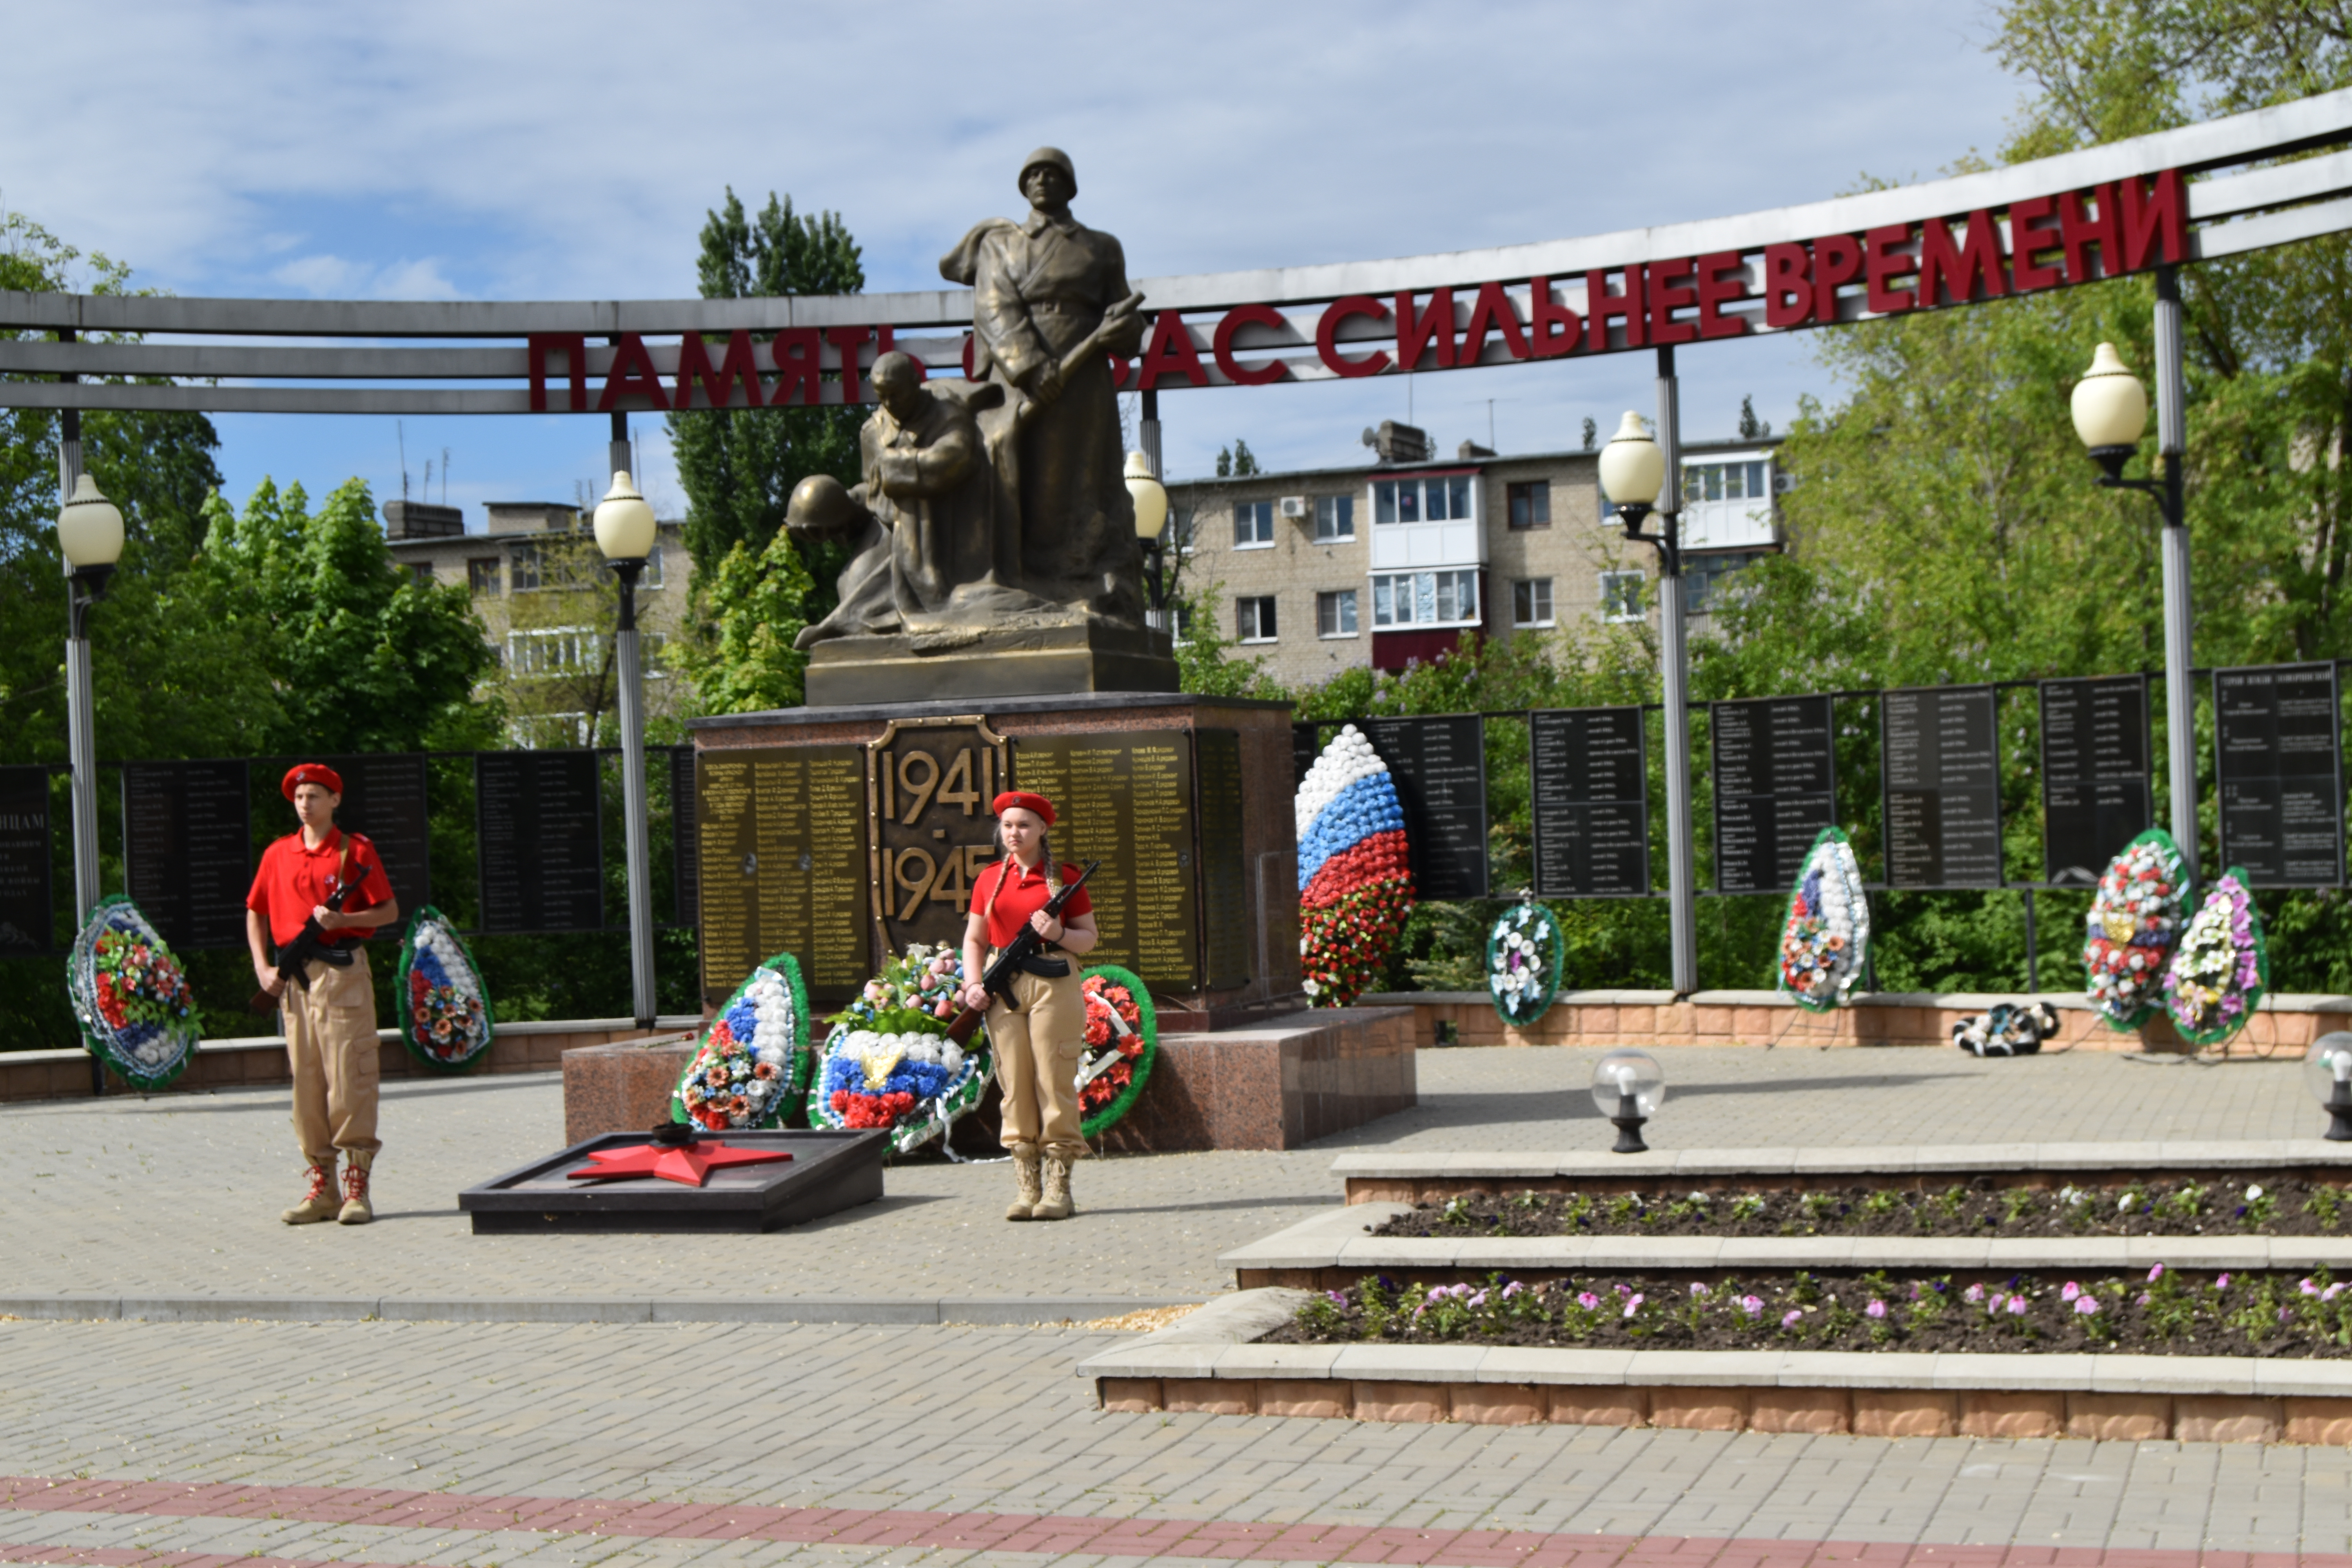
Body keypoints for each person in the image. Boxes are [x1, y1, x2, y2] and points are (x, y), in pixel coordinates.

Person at [940, 147, 1146, 621]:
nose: (1042, 181)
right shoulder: (1002, 244)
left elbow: (1128, 325)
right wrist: (1031, 365)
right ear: (1023, 186)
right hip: (1020, 382)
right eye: (1032, 174)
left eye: (1052, 174)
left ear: (1069, 185)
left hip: (1084, 380)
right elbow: (994, 307)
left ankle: (1080, 582)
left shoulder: (1102, 247)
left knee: (1083, 479)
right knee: (1019, 474)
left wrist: (1122, 330)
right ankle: (1019, 578)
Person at [245, 764, 399, 1225]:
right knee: (307, 1085)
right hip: (294, 982)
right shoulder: (278, 853)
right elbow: (255, 910)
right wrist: (263, 968)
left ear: (335, 800)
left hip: (342, 974)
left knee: (350, 1076)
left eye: (315, 795)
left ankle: (356, 1188)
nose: (305, 804)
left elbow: (388, 910)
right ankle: (322, 1187)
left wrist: (344, 922)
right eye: (299, 797)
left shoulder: (355, 849)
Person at [960, 790, 1096, 1221]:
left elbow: (1088, 938)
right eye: (1008, 825)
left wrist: (1056, 932)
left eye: (1023, 824)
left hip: (1053, 984)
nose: (1014, 832)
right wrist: (972, 984)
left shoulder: (1065, 879)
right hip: (1004, 988)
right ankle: (1027, 1186)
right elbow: (975, 940)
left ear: (1042, 829)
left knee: (1052, 1079)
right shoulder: (988, 879)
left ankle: (1058, 1188)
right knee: (1014, 1083)